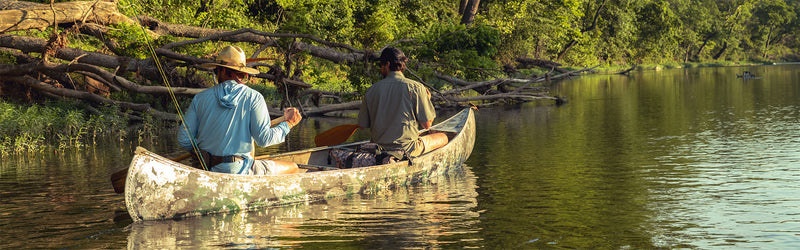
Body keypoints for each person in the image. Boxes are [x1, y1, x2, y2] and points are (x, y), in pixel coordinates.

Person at [178, 45, 302, 175]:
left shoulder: (200, 98)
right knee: (293, 167)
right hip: (240, 170)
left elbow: (184, 139)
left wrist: (205, 155)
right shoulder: (254, 97)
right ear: (241, 73)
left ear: (223, 71)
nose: (216, 74)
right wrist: (289, 124)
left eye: (216, 71)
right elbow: (264, 139)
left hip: (207, 169)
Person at [358, 47, 440, 158]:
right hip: (407, 150)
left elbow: (362, 126)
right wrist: (427, 100)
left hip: (378, 150)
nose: (380, 69)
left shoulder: (371, 90)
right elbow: (427, 125)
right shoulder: (416, 87)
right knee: (443, 137)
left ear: (387, 64)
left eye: (380, 65)